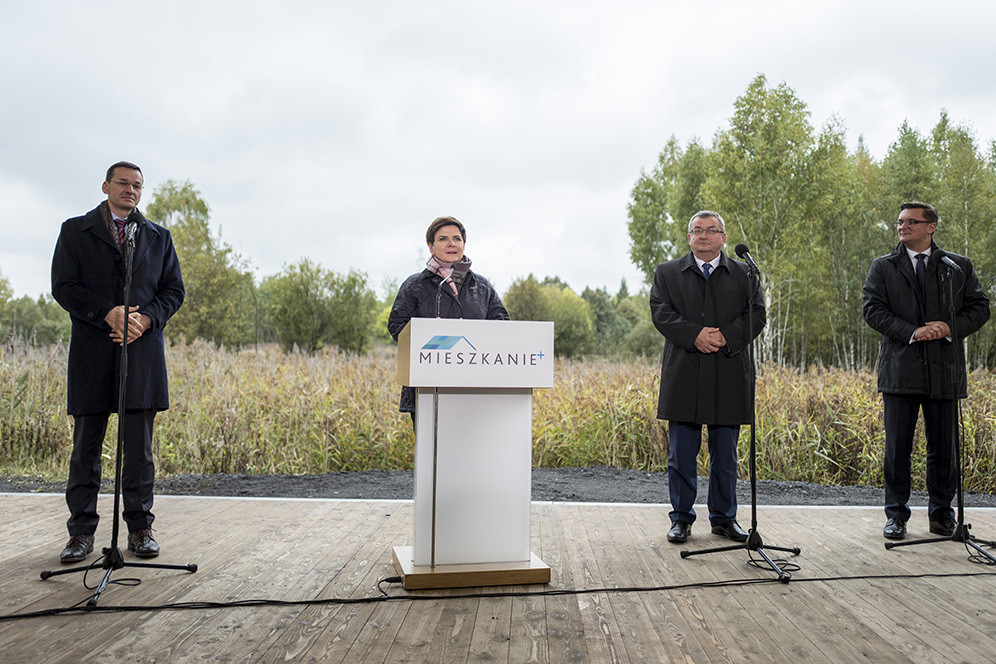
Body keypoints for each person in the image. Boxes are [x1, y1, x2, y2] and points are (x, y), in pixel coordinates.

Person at [51, 161, 185, 563]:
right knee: (85, 452)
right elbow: (63, 286)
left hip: (141, 356)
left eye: (137, 185)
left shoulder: (158, 237)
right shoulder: (75, 230)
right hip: (93, 355)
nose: (130, 190)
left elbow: (174, 291)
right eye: (123, 183)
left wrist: (145, 320)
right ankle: (81, 534)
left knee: (139, 454)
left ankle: (141, 529)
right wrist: (105, 313)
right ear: (106, 185)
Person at [862, 201, 989, 540]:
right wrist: (913, 332)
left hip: (944, 372)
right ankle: (896, 516)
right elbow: (872, 310)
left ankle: (942, 516)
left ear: (931, 227)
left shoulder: (956, 266)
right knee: (897, 451)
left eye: (911, 222)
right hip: (900, 371)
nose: (903, 227)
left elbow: (979, 309)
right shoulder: (883, 267)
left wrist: (948, 327)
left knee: (943, 450)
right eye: (900, 222)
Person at [649, 211, 765, 544]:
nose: (704, 235)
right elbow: (661, 312)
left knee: (725, 456)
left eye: (711, 230)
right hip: (684, 372)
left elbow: (757, 315)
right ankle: (681, 519)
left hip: (728, 372)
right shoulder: (668, 272)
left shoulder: (744, 274)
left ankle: (724, 519)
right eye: (697, 230)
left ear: (723, 238)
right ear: (689, 237)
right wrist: (695, 334)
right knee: (681, 455)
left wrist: (725, 336)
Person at [387, 216, 508, 418]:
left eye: (457, 239)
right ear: (431, 246)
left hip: (475, 387)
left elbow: (502, 324)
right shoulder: (415, 285)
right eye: (443, 239)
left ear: (464, 244)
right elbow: (397, 326)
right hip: (426, 388)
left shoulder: (482, 286)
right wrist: (438, 344)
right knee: (432, 449)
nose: (451, 243)